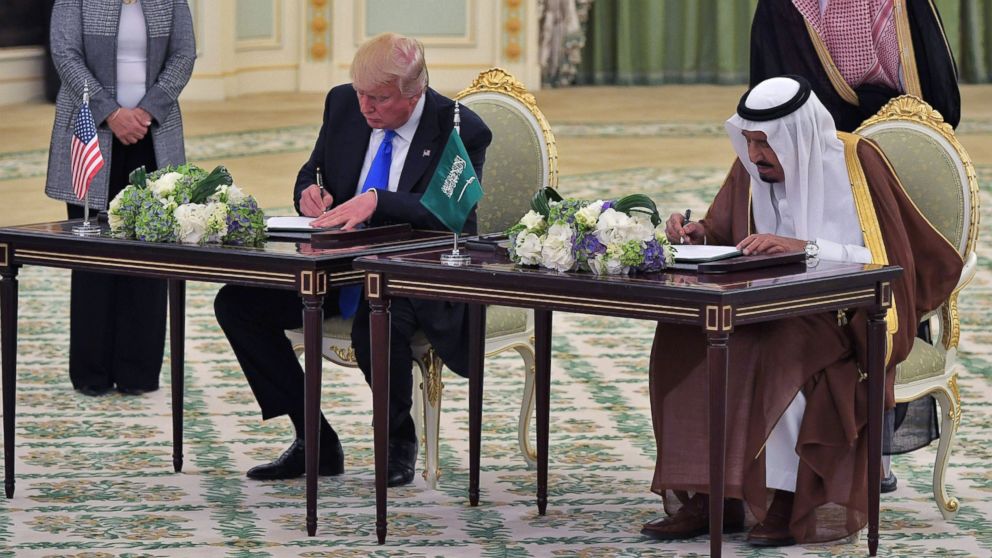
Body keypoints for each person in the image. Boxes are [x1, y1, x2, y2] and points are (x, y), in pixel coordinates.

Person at [640, 76, 962, 546]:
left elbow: (888, 259)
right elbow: (727, 228)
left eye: (764, 144)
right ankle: (714, 495)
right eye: (748, 141)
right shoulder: (753, 171)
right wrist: (698, 234)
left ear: (794, 136)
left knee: (777, 347)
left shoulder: (856, 164)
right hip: (765, 304)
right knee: (686, 334)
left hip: (844, 315)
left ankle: (789, 498)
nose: (753, 156)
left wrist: (806, 247)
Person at [213, 33, 492, 486]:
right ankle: (314, 440)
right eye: (360, 93)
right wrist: (309, 192)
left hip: (407, 269)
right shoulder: (343, 104)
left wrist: (377, 201)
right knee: (236, 303)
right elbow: (315, 168)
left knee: (375, 322)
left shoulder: (460, 127)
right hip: (334, 265)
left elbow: (449, 211)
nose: (365, 107)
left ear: (414, 92)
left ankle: (398, 439)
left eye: (378, 98)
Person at [45, 0, 196, 396]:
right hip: (92, 134)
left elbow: (183, 54)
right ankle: (91, 371)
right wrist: (112, 112)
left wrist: (147, 111)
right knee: (93, 255)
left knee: (149, 252)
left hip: (153, 133)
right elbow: (65, 54)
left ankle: (138, 371)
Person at [749, 0, 960, 133]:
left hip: (898, 126)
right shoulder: (781, 6)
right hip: (817, 138)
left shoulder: (904, 6)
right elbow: (772, 96)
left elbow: (937, 100)